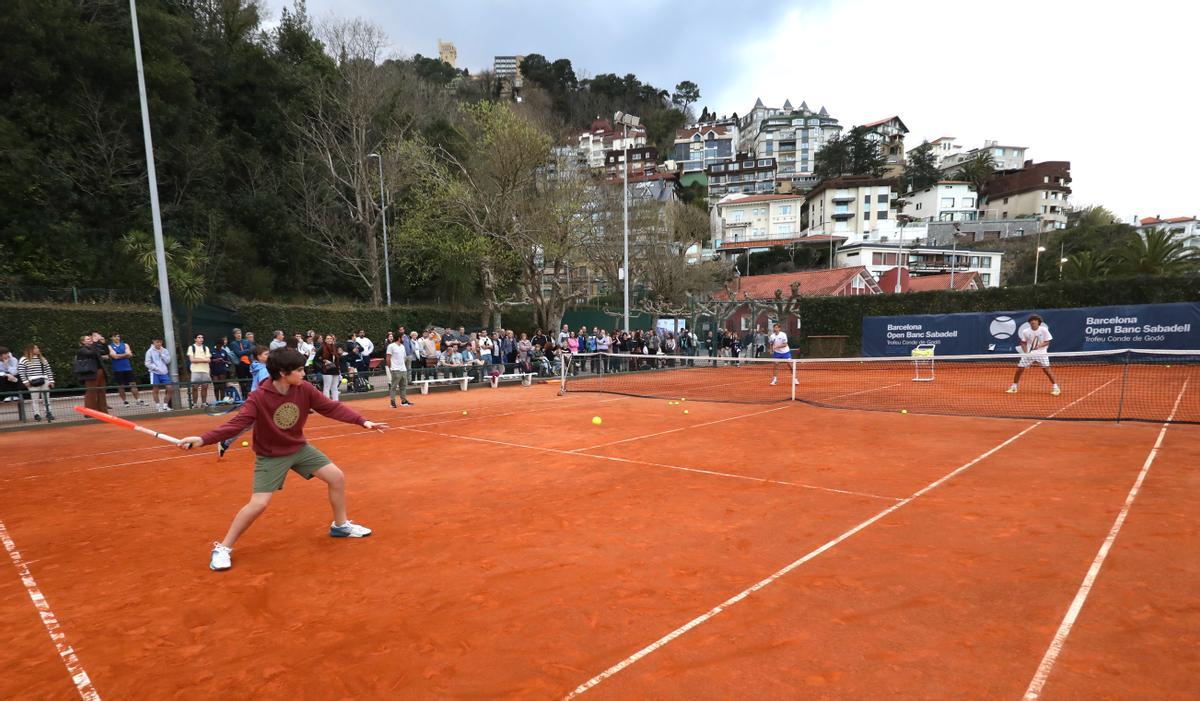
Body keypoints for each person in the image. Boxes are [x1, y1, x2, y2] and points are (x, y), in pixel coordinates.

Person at [179, 348, 387, 571]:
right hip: (271, 455)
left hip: (298, 447)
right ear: (282, 373)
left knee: (336, 477)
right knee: (258, 504)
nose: (304, 374)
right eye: (299, 370)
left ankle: (340, 526)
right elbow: (236, 424)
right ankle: (223, 548)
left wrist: (362, 421)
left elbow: (330, 407)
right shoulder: (259, 397)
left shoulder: (303, 389)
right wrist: (203, 439)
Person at [1007, 314, 1061, 396]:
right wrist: (1025, 353)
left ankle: (1056, 388)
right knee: (1019, 369)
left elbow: (1047, 342)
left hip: (1042, 353)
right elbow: (1023, 343)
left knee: (1047, 370)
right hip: (1029, 353)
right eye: (1031, 320)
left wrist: (1039, 346)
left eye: (1035, 320)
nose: (1033, 321)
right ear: (1029, 322)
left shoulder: (1044, 330)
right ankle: (1014, 387)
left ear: (1038, 322)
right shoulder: (1025, 331)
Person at [18, 344, 55, 422]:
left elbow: (48, 370)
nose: (38, 349)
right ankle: (36, 414)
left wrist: (51, 381)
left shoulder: (42, 359)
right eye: (36, 348)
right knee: (35, 399)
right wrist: (25, 382)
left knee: (46, 398)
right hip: (32, 381)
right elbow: (21, 372)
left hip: (44, 380)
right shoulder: (24, 359)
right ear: (30, 350)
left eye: (37, 348)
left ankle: (48, 412)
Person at [106, 334, 144, 406]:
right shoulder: (110, 346)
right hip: (117, 369)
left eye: (118, 336)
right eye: (115, 336)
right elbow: (114, 356)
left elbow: (129, 354)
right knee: (121, 386)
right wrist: (124, 354)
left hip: (127, 368)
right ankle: (125, 401)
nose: (117, 338)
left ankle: (138, 400)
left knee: (133, 384)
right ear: (111, 338)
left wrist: (119, 355)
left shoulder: (125, 345)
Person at [75, 334, 109, 412]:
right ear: (82, 342)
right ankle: (90, 412)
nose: (90, 340)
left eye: (90, 339)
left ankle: (103, 410)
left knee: (101, 391)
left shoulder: (94, 347)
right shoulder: (82, 349)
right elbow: (91, 353)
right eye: (87, 339)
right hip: (90, 373)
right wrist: (94, 342)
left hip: (100, 371)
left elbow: (106, 352)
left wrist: (103, 343)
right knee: (91, 392)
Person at [144, 337, 173, 411]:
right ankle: (158, 406)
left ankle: (165, 406)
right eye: (157, 342)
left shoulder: (165, 350)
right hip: (154, 373)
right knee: (155, 390)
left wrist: (162, 355)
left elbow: (168, 361)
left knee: (169, 388)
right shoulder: (149, 351)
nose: (159, 343)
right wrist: (156, 368)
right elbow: (147, 363)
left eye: (160, 342)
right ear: (153, 342)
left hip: (164, 373)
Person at [385, 334, 412, 408]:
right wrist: (390, 367)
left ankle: (404, 401)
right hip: (395, 369)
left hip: (403, 369)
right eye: (403, 337)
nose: (404, 339)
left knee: (403, 386)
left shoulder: (403, 347)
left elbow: (403, 358)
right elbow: (388, 358)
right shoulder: (391, 346)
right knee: (394, 386)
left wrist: (404, 367)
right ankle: (392, 402)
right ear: (399, 338)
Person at [187, 333, 213, 406]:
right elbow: (192, 360)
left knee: (205, 387)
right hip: (195, 371)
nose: (201, 339)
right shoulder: (191, 347)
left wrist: (197, 359)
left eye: (202, 337)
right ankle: (194, 404)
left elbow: (209, 360)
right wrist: (203, 359)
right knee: (195, 388)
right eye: (199, 337)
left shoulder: (206, 348)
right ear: (195, 339)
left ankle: (204, 403)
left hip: (205, 370)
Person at [229, 329, 254, 397]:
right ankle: (244, 395)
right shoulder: (233, 343)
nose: (239, 335)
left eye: (240, 333)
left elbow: (251, 351)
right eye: (237, 333)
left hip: (249, 363)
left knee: (250, 379)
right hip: (240, 364)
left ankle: (250, 393)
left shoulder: (246, 341)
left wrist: (243, 351)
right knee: (242, 380)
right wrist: (246, 351)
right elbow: (238, 353)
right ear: (234, 335)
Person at [317, 334, 342, 401]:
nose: (329, 340)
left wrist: (339, 355)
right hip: (327, 369)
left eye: (330, 338)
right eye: (327, 338)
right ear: (325, 340)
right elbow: (316, 358)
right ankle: (327, 403)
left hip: (335, 369)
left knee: (335, 387)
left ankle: (336, 402)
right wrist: (324, 361)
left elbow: (337, 358)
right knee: (327, 387)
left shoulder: (335, 347)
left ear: (333, 339)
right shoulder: (322, 348)